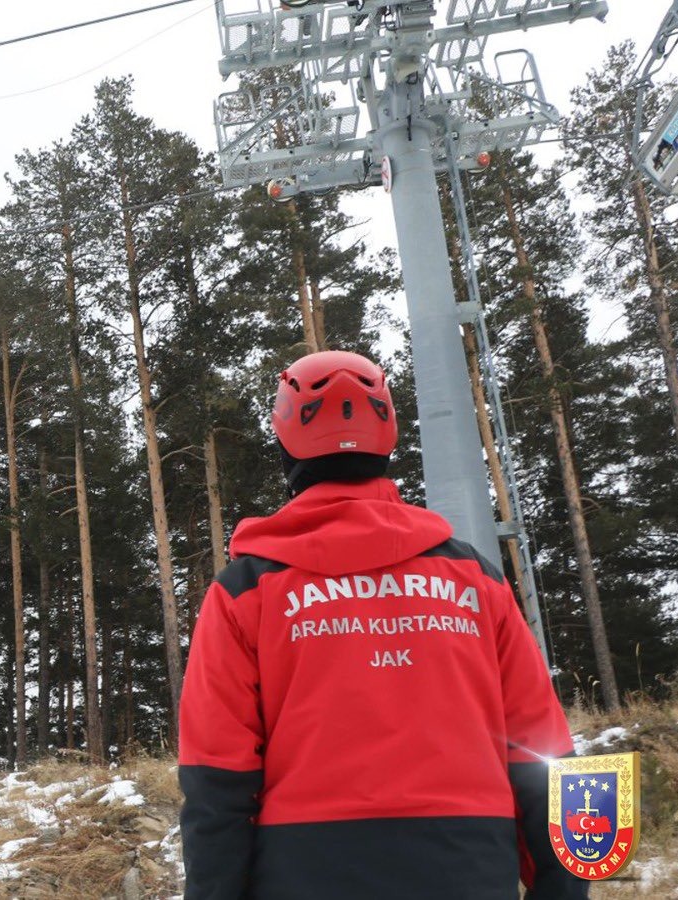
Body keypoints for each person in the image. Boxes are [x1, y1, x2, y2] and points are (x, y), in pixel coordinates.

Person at [178, 350, 585, 900]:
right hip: (470, 864)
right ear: (388, 435)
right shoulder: (475, 580)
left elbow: (214, 777)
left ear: (284, 444)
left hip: (304, 868)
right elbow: (550, 751)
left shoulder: (245, 591)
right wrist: (568, 888)